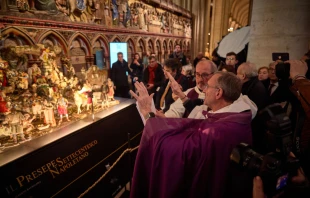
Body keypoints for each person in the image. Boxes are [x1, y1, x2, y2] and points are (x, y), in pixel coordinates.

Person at [129, 72, 253, 198]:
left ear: (218, 93)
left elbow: (175, 150)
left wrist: (148, 115)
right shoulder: (232, 116)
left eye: (208, 86)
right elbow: (192, 125)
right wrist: (161, 121)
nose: (204, 90)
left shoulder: (220, 130)